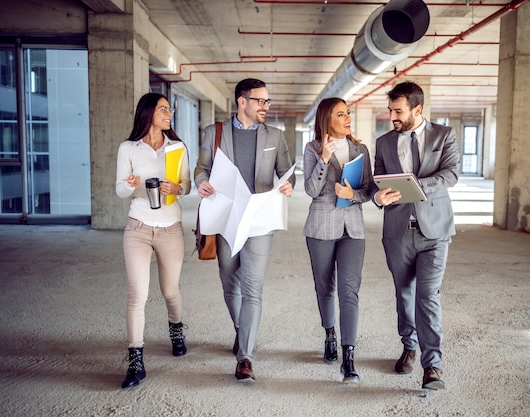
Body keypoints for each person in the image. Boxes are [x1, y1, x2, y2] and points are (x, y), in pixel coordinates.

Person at [194, 78, 295, 383]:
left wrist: (288, 185)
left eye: (267, 101)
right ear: (242, 101)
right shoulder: (214, 133)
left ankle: (245, 357)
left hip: (260, 220)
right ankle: (242, 331)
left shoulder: (275, 136)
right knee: (230, 284)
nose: (265, 106)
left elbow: (286, 173)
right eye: (260, 101)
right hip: (226, 219)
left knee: (253, 288)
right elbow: (202, 168)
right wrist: (201, 181)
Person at [372, 81, 460, 390]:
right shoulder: (383, 143)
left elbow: (451, 174)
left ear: (417, 109)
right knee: (404, 294)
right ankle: (409, 346)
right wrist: (377, 197)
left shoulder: (444, 135)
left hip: (434, 231)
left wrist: (418, 187)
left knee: (428, 296)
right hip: (397, 232)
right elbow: (376, 183)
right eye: (390, 110)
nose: (392, 116)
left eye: (398, 111)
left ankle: (432, 365)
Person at [115, 92, 192, 389]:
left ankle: (176, 330)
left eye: (170, 109)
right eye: (163, 109)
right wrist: (128, 183)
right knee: (137, 295)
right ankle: (135, 360)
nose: (169, 113)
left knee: (170, 291)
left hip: (170, 226)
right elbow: (120, 191)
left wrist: (177, 187)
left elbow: (185, 186)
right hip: (138, 226)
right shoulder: (129, 148)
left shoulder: (178, 147)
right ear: (148, 112)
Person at [302, 98, 372, 383]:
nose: (347, 118)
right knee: (325, 288)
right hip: (320, 227)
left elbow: (368, 189)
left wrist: (352, 196)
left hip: (353, 229)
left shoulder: (360, 149)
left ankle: (349, 355)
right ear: (326, 120)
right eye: (340, 114)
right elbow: (311, 189)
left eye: (348, 113)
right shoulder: (312, 148)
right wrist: (324, 158)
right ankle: (329, 333)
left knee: (349, 290)